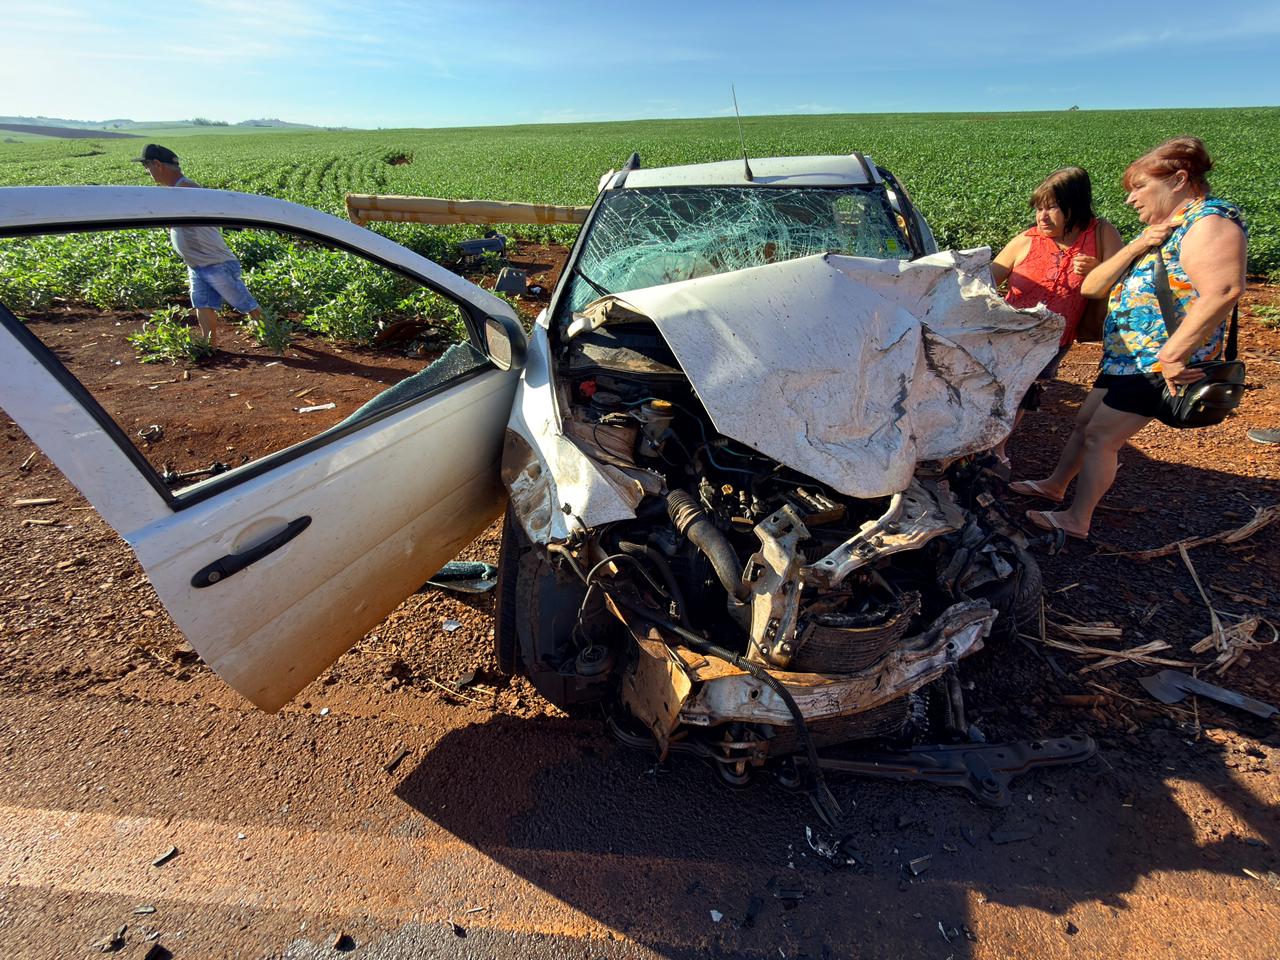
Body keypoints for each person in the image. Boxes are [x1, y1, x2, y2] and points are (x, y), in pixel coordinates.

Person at [1012, 137, 1248, 539]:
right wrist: (1143, 241)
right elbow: (1094, 286)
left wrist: (1175, 353)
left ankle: (1078, 518)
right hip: (1129, 357)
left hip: (1159, 360)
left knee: (1102, 436)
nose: (1130, 199)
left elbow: (1224, 290)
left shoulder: (1209, 221)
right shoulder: (1165, 229)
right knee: (1085, 422)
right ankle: (1056, 485)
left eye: (1139, 187)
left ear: (1177, 180)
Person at [989, 167, 1123, 464]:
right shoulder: (1026, 240)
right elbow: (986, 278)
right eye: (1039, 208)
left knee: (1024, 391)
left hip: (1054, 339)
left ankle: (998, 449)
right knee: (994, 389)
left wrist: (1098, 272)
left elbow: (1127, 282)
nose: (1042, 217)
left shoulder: (1101, 234)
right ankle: (981, 445)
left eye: (1052, 208)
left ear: (1075, 207)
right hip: (1008, 335)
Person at [133, 143, 261, 349]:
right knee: (202, 303)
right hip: (198, 263)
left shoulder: (185, 188)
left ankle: (272, 335)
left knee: (245, 303)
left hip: (215, 261)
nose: (147, 172)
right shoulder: (176, 190)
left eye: (146, 167)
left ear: (157, 164)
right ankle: (208, 344)